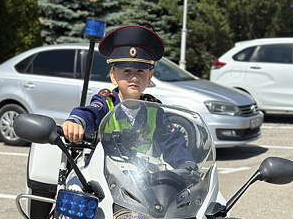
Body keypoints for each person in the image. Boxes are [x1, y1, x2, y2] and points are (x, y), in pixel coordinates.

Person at [61, 25, 196, 170]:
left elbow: (172, 142)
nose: (134, 77)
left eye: (140, 71)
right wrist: (75, 122)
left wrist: (187, 164)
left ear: (149, 77)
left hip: (140, 176)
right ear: (113, 76)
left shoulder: (154, 109)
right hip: (103, 173)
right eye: (126, 71)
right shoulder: (106, 102)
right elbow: (90, 113)